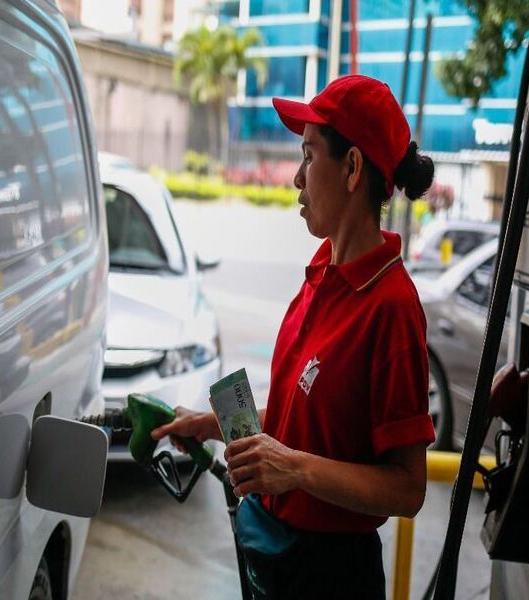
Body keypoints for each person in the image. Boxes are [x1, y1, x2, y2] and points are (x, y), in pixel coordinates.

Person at [152, 74, 436, 599]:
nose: (296, 178)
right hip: (275, 556)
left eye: (308, 156)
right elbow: (300, 422)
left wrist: (295, 470)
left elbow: (408, 487)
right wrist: (211, 424)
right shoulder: (321, 270)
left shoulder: (392, 307)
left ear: (351, 168)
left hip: (331, 575)